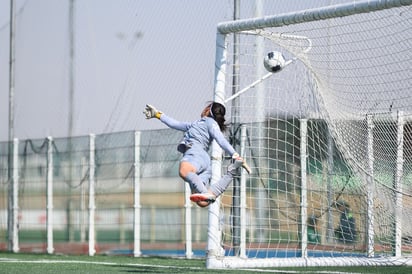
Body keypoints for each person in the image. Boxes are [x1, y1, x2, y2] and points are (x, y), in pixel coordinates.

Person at [143, 102, 251, 207]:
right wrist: (157, 115)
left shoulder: (209, 122)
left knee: (184, 171)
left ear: (208, 109)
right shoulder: (197, 123)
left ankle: (205, 193)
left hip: (196, 154)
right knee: (203, 202)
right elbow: (175, 124)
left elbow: (221, 139)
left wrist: (234, 154)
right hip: (203, 162)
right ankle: (231, 172)